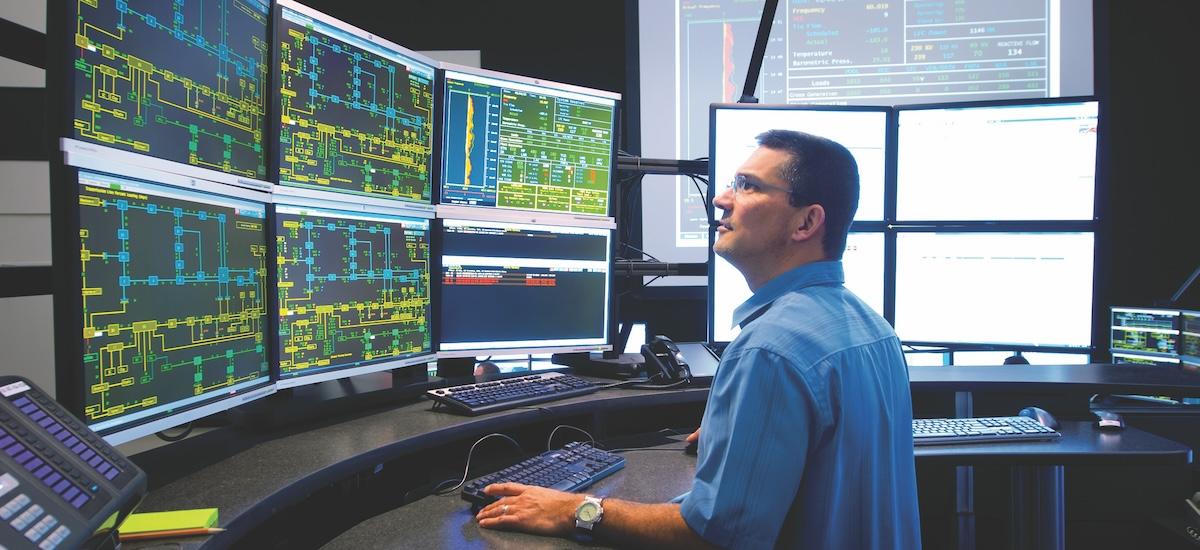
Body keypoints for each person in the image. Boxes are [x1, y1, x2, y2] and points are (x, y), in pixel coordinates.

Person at [474, 130, 921, 549]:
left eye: (747, 186)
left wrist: (576, 510)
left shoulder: (769, 350)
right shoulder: (874, 331)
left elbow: (715, 536)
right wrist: (749, 433)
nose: (720, 198)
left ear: (806, 222)